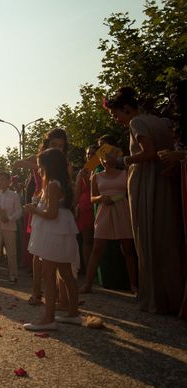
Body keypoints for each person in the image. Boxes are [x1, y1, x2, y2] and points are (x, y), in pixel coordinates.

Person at [105, 86, 185, 314]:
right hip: (166, 182)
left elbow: (148, 152)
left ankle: (156, 298)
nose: (117, 120)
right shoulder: (163, 122)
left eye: (116, 114)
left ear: (127, 108)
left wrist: (123, 160)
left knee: (148, 239)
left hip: (148, 184)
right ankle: (174, 296)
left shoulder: (136, 123)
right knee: (168, 239)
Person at [24, 148, 81, 331]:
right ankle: (73, 313)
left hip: (53, 231)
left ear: (48, 166)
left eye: (40, 166)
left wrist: (34, 210)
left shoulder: (52, 185)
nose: (39, 170)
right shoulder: (61, 183)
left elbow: (51, 213)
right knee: (65, 273)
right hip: (62, 229)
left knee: (48, 275)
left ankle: (48, 318)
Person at [80, 151, 137, 294]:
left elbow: (128, 193)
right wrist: (101, 198)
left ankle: (134, 285)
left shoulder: (125, 172)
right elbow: (92, 198)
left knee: (128, 249)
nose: (107, 160)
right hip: (104, 212)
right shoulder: (96, 176)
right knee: (97, 248)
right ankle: (88, 284)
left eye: (110, 157)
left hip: (122, 210)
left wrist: (115, 198)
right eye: (104, 158)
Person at [75, 146, 97, 273]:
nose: (90, 156)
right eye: (88, 154)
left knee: (97, 239)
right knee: (86, 239)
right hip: (84, 208)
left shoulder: (99, 169)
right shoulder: (83, 171)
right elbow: (77, 192)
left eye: (93, 154)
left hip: (96, 204)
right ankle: (88, 269)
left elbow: (95, 188)